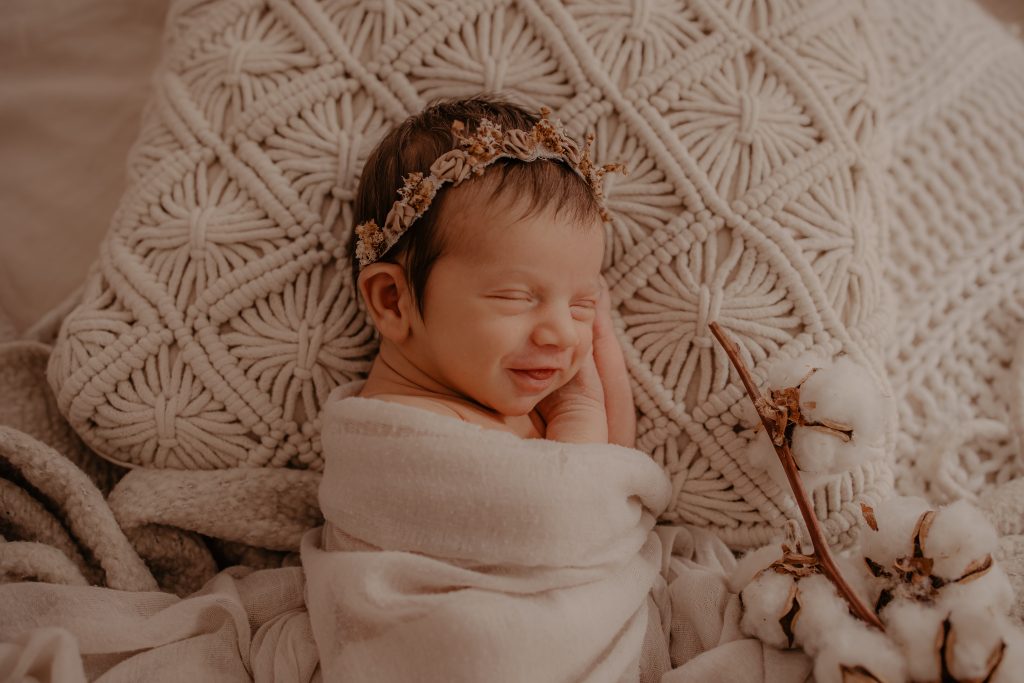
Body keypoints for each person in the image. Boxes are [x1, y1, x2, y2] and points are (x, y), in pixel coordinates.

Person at [346, 94, 636, 447]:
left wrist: (600, 356)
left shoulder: (493, 391)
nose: (563, 334)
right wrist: (577, 413)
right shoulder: (403, 432)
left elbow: (624, 464)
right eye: (516, 297)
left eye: (582, 305)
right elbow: (584, 499)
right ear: (393, 300)